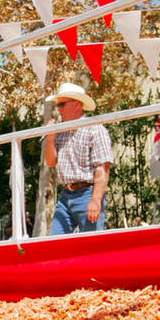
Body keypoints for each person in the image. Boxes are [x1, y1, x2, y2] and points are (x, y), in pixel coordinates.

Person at [44, 82, 113, 235]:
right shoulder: (59, 130)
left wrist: (96, 199)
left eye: (62, 104)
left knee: (90, 246)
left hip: (87, 192)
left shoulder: (95, 129)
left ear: (77, 104)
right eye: (58, 105)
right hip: (66, 194)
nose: (59, 109)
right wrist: (50, 138)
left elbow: (103, 167)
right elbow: (50, 162)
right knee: (55, 244)